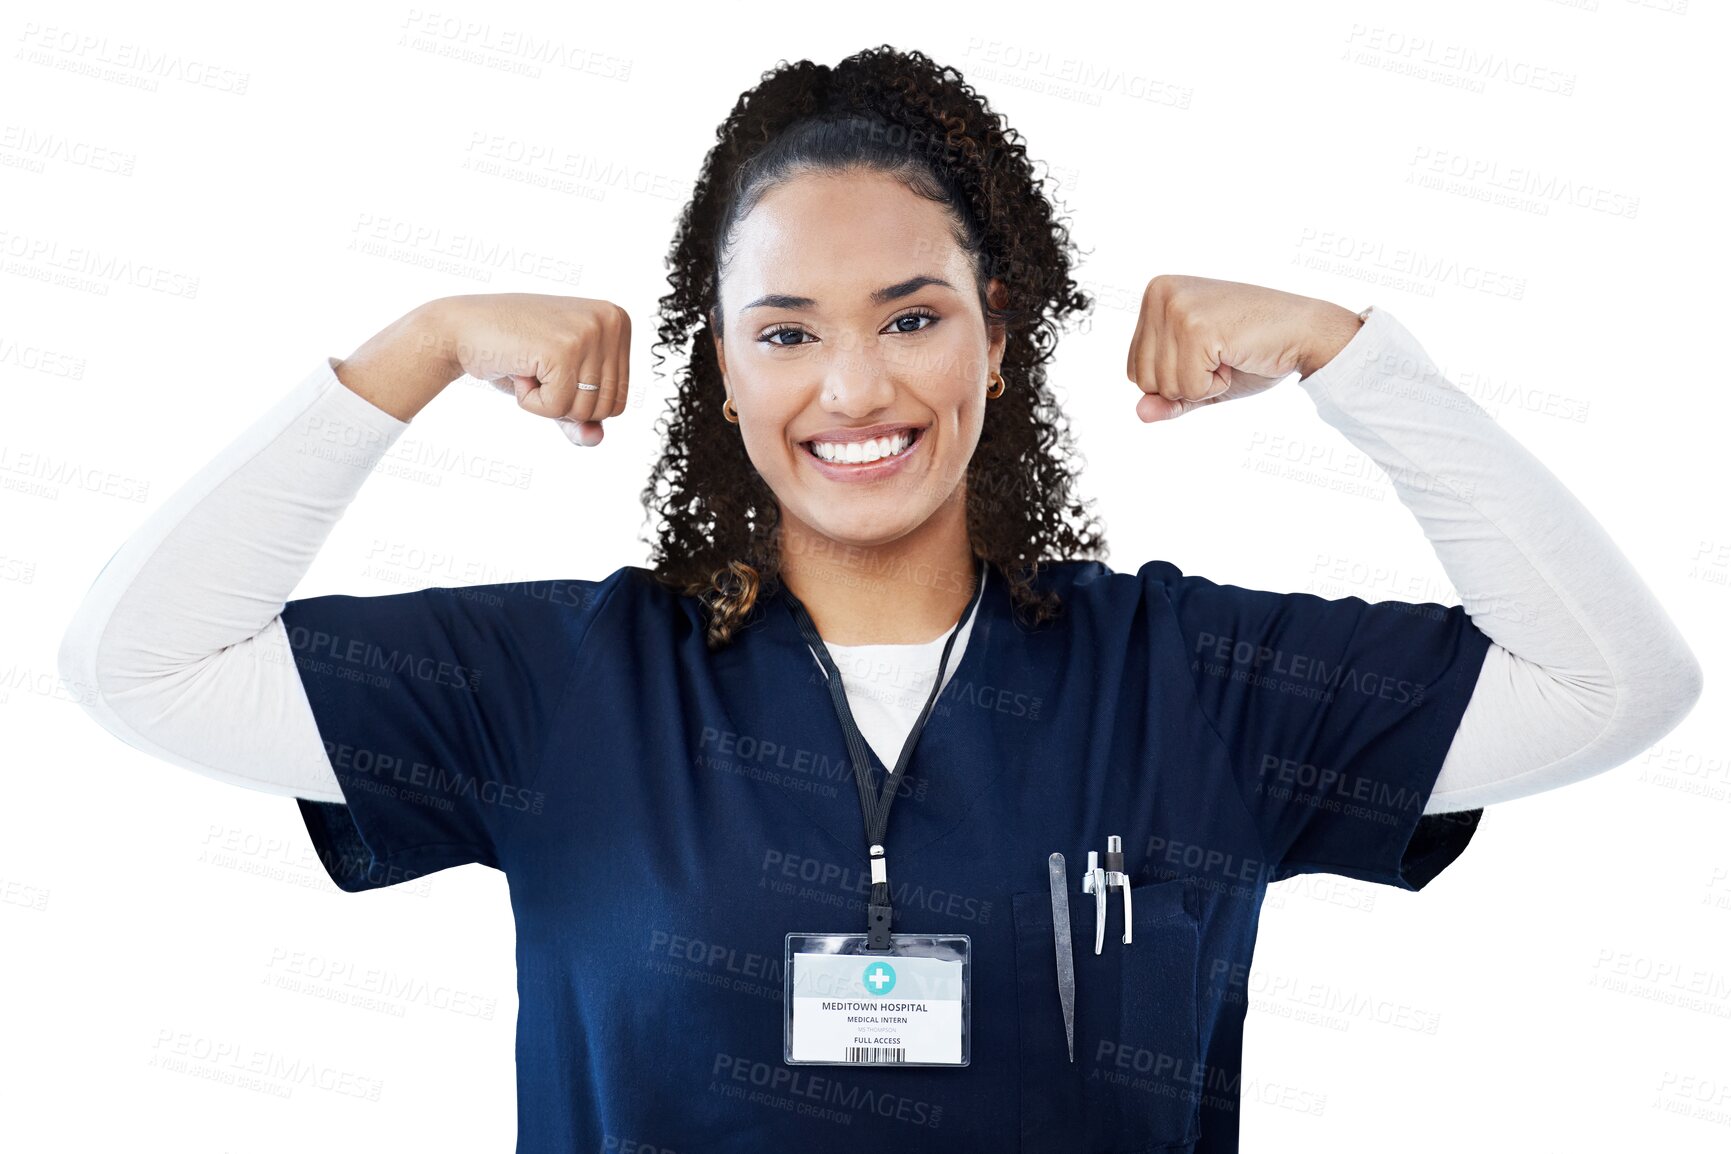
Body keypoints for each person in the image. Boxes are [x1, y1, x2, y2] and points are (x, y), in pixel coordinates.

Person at [58, 45, 1702, 1154]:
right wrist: (407, 354)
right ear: (723, 372)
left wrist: (1357, 359)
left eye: (911, 316)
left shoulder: (1194, 674)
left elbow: (1615, 683)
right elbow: (135, 660)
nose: (855, 384)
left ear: (1000, 323)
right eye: (785, 332)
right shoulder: (561, 681)